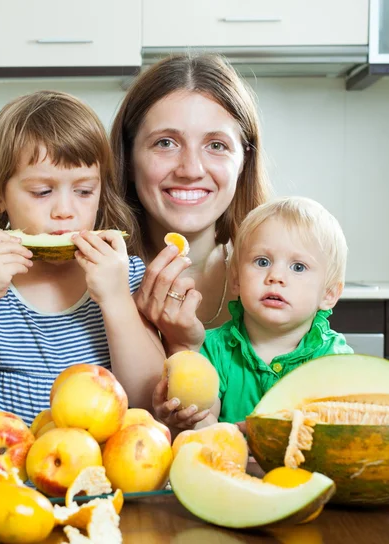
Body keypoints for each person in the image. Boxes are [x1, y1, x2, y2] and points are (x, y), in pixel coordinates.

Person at [0, 91, 164, 445]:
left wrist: (115, 300)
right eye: (41, 191)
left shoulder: (121, 276)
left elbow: (147, 397)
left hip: (94, 484)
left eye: (83, 191)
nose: (65, 210)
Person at [110, 53, 271, 428]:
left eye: (216, 145)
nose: (190, 170)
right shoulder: (97, 285)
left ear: (244, 161)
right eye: (165, 143)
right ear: (128, 159)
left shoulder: (279, 278)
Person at [197, 196, 353, 428]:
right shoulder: (211, 350)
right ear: (236, 279)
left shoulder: (335, 359)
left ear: (328, 294)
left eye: (298, 267)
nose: (276, 276)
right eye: (262, 262)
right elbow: (202, 425)